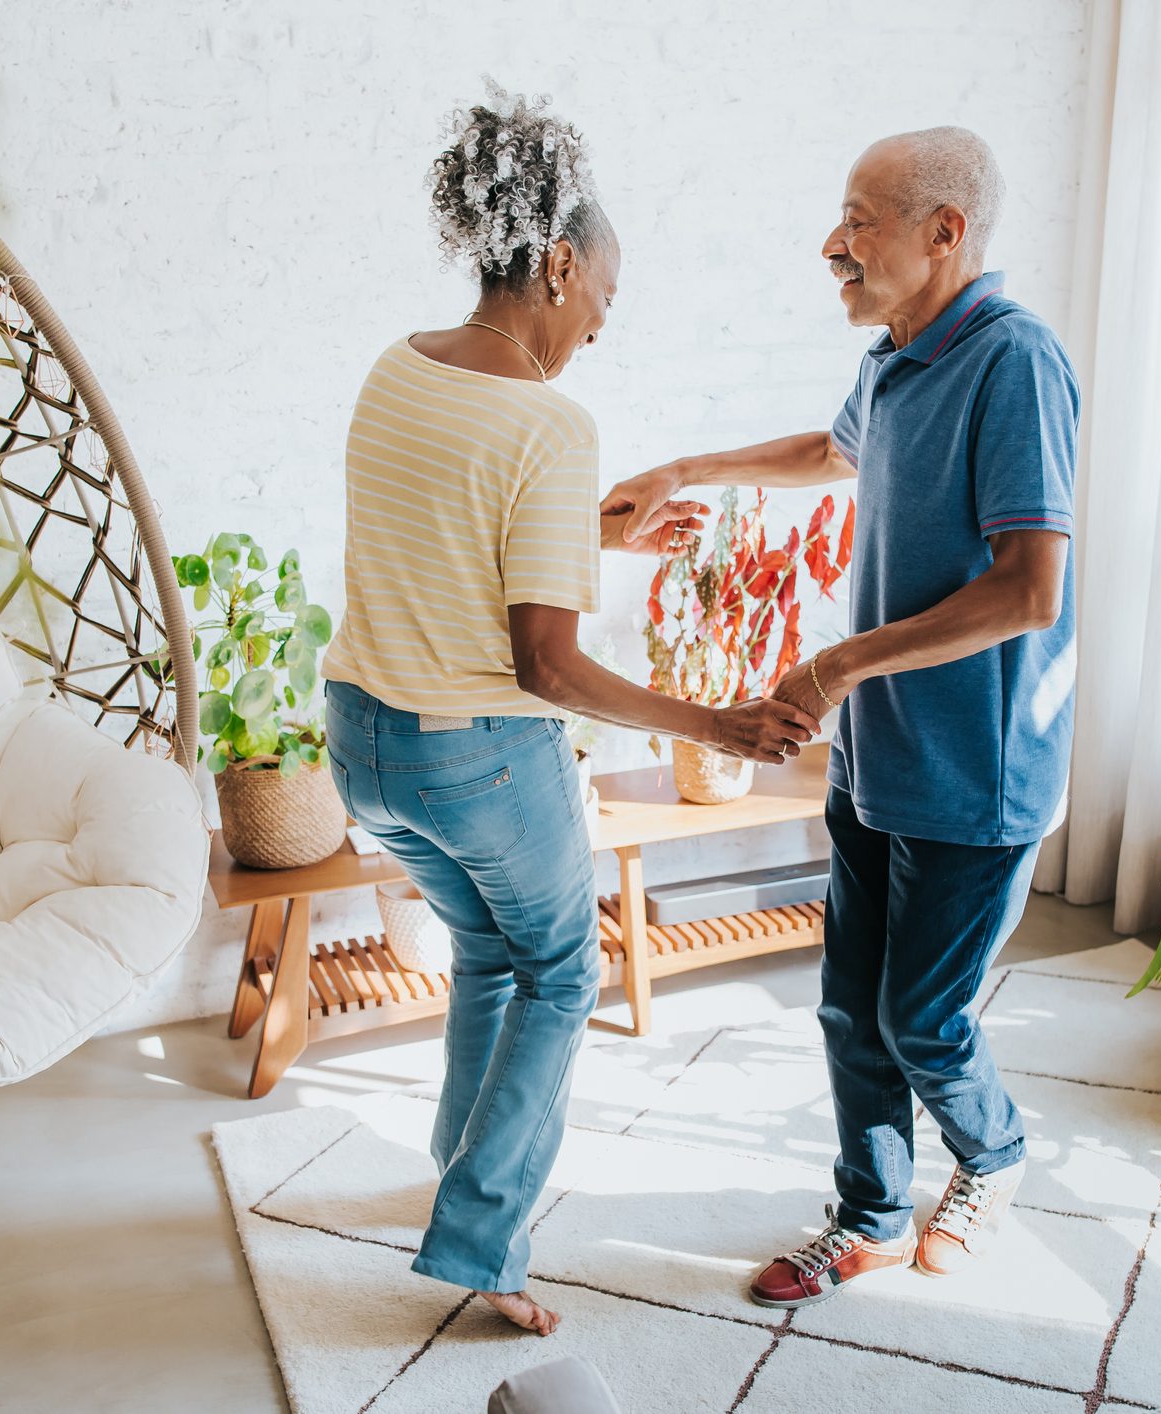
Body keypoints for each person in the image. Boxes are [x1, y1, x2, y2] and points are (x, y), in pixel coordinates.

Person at [321, 85, 817, 1336]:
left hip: (366, 744)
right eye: (599, 295)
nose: (598, 324)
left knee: (493, 951)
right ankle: (482, 1244)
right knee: (562, 966)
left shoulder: (398, 369)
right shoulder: (550, 418)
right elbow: (542, 667)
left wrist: (601, 537)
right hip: (479, 756)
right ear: (554, 264)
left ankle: (456, 1172)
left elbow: (438, 536)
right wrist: (715, 725)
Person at [603, 126, 1079, 1305]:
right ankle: (866, 1216)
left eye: (861, 220)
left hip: (979, 767)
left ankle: (997, 1155)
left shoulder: (1014, 362)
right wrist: (683, 468)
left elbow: (1030, 590)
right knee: (845, 1007)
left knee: (923, 1021)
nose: (835, 244)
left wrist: (830, 667)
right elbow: (832, 450)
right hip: (879, 755)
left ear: (944, 233)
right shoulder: (894, 355)